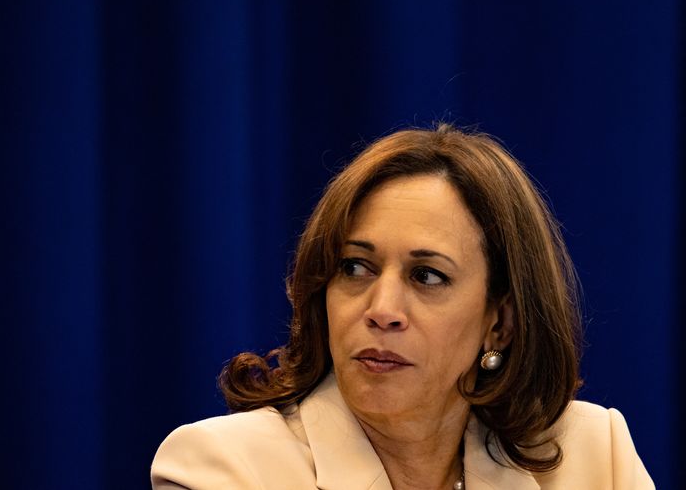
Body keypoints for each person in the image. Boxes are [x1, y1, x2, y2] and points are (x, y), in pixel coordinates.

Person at [151, 126, 653, 489]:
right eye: (355, 268)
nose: (382, 309)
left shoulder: (591, 456)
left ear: (499, 323)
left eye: (427, 276)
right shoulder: (223, 467)